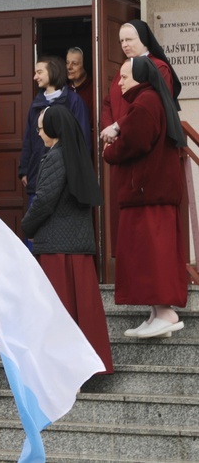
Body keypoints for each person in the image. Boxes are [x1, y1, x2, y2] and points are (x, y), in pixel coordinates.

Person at [21, 106, 113, 372]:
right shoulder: (76, 155)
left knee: (59, 315)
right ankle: (83, 368)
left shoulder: (55, 156)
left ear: (52, 129)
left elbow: (44, 202)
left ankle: (64, 372)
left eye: (40, 128)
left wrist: (26, 227)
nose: (38, 134)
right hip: (79, 249)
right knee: (83, 313)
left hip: (57, 250)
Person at [102, 57, 187, 338]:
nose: (121, 82)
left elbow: (135, 142)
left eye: (125, 77)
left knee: (153, 254)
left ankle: (165, 313)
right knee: (148, 254)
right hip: (149, 192)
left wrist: (109, 152)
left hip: (148, 193)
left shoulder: (146, 101)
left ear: (140, 77)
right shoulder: (148, 100)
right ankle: (156, 314)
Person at [100, 19, 182, 256]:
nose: (125, 45)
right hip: (120, 148)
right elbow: (108, 102)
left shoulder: (158, 68)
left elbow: (152, 105)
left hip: (140, 150)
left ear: (143, 39)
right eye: (121, 41)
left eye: (130, 39)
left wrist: (118, 126)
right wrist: (108, 129)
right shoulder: (125, 69)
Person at [19, 56, 91, 207]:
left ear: (52, 72)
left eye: (39, 72)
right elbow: (29, 139)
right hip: (37, 175)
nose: (35, 77)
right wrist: (24, 169)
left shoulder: (74, 102)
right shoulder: (35, 104)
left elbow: (82, 139)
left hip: (66, 178)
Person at [66, 47, 94, 123]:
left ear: (85, 65)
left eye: (74, 63)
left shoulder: (94, 89)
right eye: (67, 63)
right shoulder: (64, 91)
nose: (69, 67)